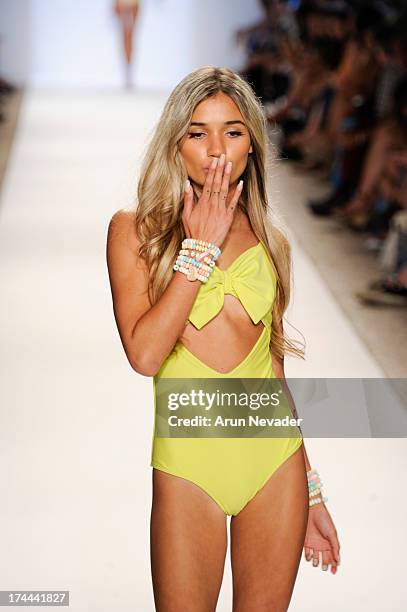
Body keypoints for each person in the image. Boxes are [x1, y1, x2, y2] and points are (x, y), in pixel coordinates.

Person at [106, 66, 340, 610]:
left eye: (233, 131)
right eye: (198, 131)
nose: (217, 148)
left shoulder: (269, 237)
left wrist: (312, 490)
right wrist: (200, 248)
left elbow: (274, 371)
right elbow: (144, 354)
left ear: (253, 145)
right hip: (189, 462)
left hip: (273, 463)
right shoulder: (134, 230)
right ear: (175, 144)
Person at [113, 0, 141, 89]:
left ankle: (128, 74)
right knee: (127, 37)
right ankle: (127, 74)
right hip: (125, 3)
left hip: (132, 3)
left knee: (129, 37)